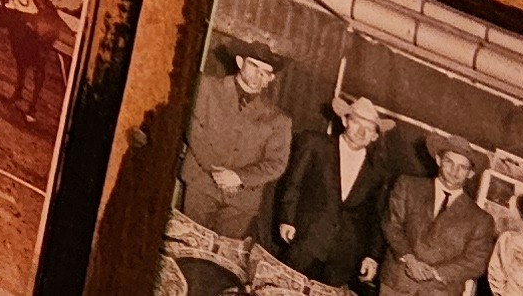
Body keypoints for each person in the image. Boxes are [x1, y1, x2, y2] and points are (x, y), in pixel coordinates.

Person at [272, 92, 404, 288]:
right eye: (358, 123)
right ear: (344, 120)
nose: (361, 132)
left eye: (369, 129)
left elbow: (376, 218)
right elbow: (293, 185)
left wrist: (371, 256)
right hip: (305, 241)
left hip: (344, 257)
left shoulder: (378, 171)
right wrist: (287, 219)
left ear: (375, 136)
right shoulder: (315, 144)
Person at [179, 48, 293, 243]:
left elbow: (276, 163)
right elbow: (193, 127)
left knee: (219, 263)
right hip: (201, 186)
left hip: (241, 203)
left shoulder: (279, 120)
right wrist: (217, 171)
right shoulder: (205, 87)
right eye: (254, 66)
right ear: (240, 62)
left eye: (265, 72)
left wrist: (239, 177)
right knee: (188, 246)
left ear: (270, 78)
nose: (258, 74)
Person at [378, 144, 497, 296]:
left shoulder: (481, 219)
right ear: (438, 160)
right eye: (449, 162)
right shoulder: (408, 186)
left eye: (462, 167)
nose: (455, 171)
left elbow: (476, 261)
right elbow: (392, 225)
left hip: (441, 291)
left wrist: (436, 273)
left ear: (470, 173)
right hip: (397, 284)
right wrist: (410, 259)